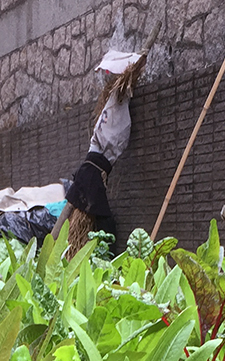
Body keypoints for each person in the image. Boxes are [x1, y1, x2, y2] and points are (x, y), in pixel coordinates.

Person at [62, 50, 146, 253]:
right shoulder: (113, 105)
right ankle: (103, 255)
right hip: (92, 172)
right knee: (102, 222)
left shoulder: (114, 105)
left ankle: (98, 253)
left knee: (98, 221)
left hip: (93, 169)